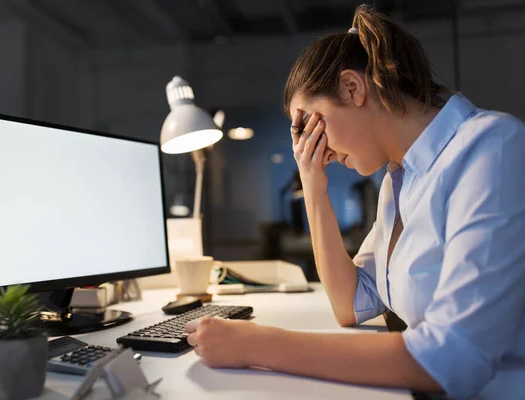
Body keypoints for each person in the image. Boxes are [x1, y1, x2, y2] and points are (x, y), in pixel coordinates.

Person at [184, 4, 525, 399]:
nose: (317, 147)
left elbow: (453, 357)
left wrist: (256, 345)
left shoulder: (491, 148)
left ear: (352, 87)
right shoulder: (400, 180)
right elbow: (351, 303)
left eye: (311, 125)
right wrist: (312, 181)